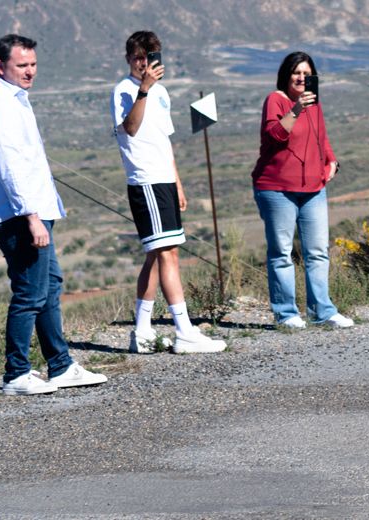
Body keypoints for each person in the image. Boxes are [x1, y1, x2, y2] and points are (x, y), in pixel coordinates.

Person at [0, 34, 108, 395]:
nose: (30, 72)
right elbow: (10, 164)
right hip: (20, 214)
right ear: (0, 67)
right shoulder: (0, 103)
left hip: (32, 210)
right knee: (30, 293)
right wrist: (31, 216)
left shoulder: (14, 100)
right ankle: (16, 373)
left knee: (49, 285)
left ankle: (60, 365)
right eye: (21, 65)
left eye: (33, 65)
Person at [111, 31, 226, 353]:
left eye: (149, 57)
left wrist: (177, 183)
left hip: (163, 179)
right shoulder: (124, 90)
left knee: (156, 253)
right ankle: (185, 332)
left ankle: (142, 331)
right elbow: (131, 128)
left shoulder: (161, 93)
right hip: (145, 181)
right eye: (137, 58)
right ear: (128, 59)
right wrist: (143, 89)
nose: (143, 63)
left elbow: (164, 141)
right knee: (168, 253)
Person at [251, 51, 353, 329]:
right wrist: (296, 109)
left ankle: (323, 311)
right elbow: (274, 135)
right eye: (297, 73)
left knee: (318, 251)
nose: (301, 78)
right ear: (286, 75)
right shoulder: (276, 100)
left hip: (313, 188)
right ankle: (286, 314)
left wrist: (332, 161)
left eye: (307, 74)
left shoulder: (315, 105)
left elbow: (321, 137)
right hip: (276, 188)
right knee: (281, 253)